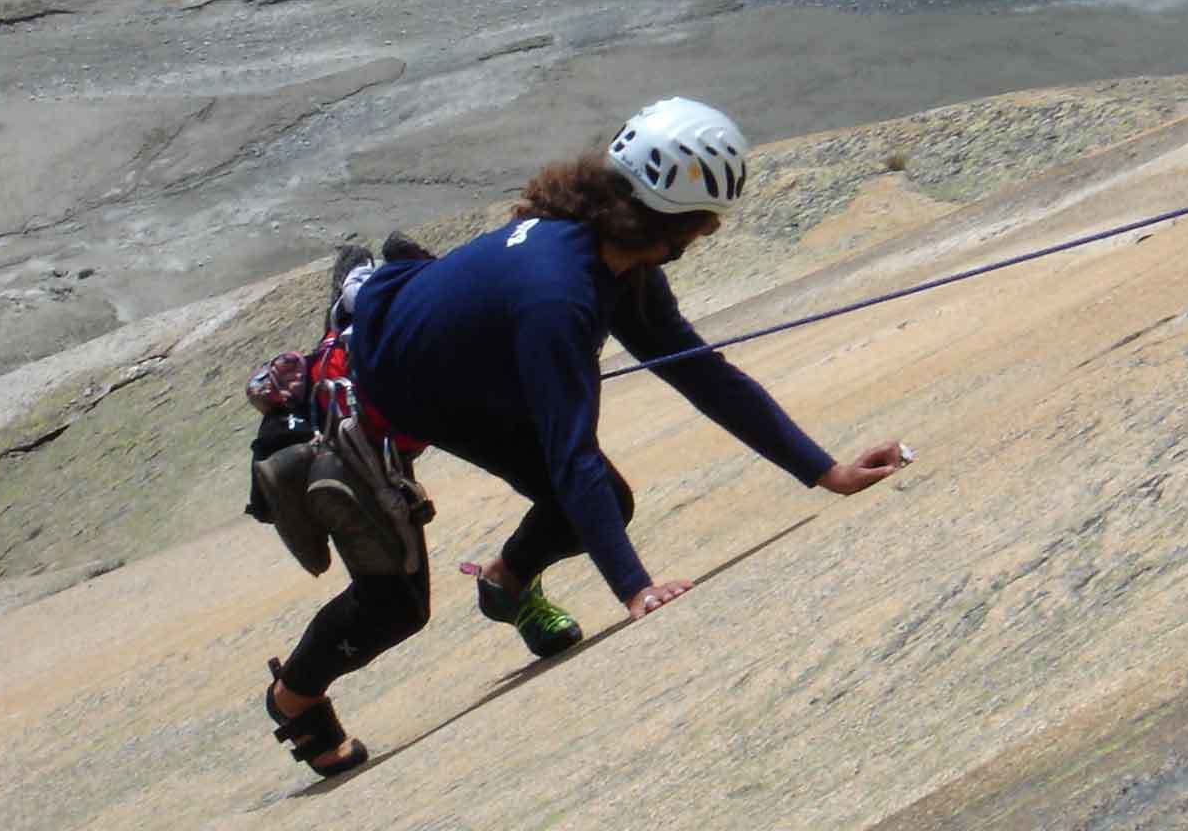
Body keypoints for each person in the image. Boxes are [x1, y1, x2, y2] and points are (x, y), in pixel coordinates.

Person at [260, 97, 908, 776]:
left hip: (455, 385)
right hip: (371, 400)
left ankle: (506, 583)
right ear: (680, 225)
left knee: (604, 504)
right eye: (709, 223)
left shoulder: (614, 259)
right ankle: (295, 698)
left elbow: (699, 373)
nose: (713, 230)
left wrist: (824, 470)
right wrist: (635, 588)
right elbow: (571, 453)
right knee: (396, 608)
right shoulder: (560, 296)